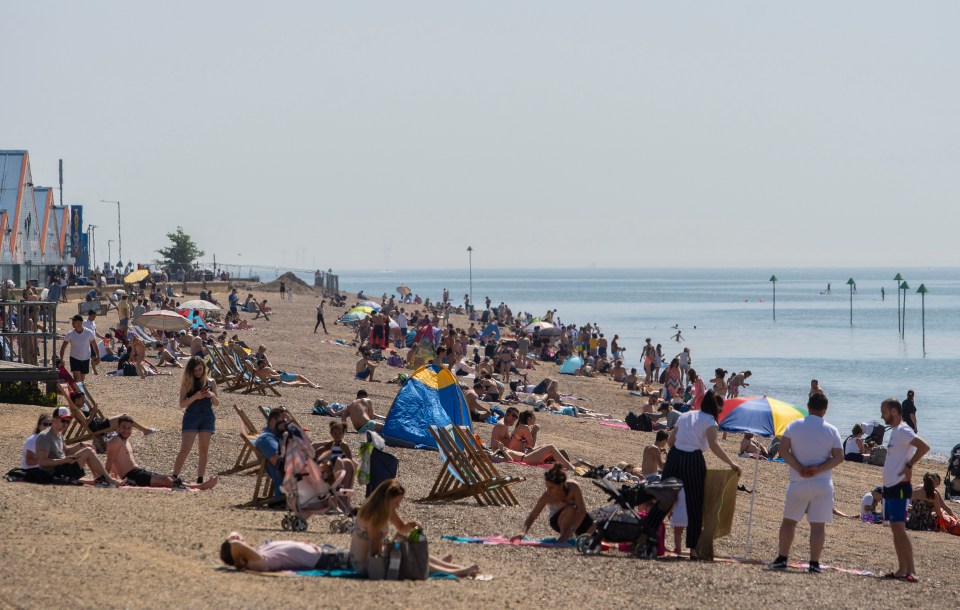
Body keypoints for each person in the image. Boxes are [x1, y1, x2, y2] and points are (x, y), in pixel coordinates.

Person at [769, 391, 844, 573]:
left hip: (798, 481)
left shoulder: (794, 425)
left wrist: (799, 467)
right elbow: (839, 457)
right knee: (818, 525)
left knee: (789, 522)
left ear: (808, 407)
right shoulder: (831, 429)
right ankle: (814, 563)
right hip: (822, 482)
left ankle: (782, 558)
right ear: (825, 410)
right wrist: (817, 469)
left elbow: (783, 450)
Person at [661, 390, 741, 557]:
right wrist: (731, 463)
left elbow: (670, 441)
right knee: (694, 505)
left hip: (674, 457)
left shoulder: (686, 415)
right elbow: (713, 445)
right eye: (720, 410)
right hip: (693, 460)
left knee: (664, 499)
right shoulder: (710, 421)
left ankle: (649, 535)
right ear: (715, 409)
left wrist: (679, 452)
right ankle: (693, 549)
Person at [350, 479, 480, 577]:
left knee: (409, 548)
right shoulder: (374, 515)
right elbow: (374, 550)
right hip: (366, 564)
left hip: (373, 557)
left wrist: (412, 525)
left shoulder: (386, 509)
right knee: (408, 554)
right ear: (386, 499)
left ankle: (450, 566)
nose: (398, 506)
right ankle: (457, 572)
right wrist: (394, 546)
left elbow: (401, 527)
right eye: (396, 502)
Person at [879, 397, 929, 582]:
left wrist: (909, 465)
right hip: (890, 487)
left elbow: (924, 447)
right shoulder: (895, 431)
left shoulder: (903, 430)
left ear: (893, 411)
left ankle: (911, 571)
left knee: (899, 528)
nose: (881, 415)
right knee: (895, 528)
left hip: (900, 487)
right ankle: (901, 569)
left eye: (883, 411)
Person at [106, 416, 217, 490]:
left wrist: (114, 473)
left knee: (168, 478)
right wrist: (107, 480)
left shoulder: (124, 441)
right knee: (166, 481)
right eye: (123, 428)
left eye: (129, 428)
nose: (126, 430)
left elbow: (116, 460)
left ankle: (198, 485)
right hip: (132, 476)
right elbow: (109, 461)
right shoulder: (116, 440)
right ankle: (201, 486)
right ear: (117, 428)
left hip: (138, 472)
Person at [35, 407, 119, 487]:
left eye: (68, 422)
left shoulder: (58, 434)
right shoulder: (45, 436)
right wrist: (64, 460)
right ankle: (108, 480)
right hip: (54, 474)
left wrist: (81, 445)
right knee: (88, 451)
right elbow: (42, 462)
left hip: (61, 468)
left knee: (88, 450)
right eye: (63, 421)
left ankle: (101, 480)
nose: (65, 424)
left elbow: (66, 451)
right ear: (54, 420)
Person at [512, 465, 595, 543]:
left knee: (597, 529)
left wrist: (573, 528)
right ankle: (564, 537)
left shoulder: (573, 487)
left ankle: (578, 539)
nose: (548, 490)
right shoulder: (547, 496)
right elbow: (532, 516)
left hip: (577, 517)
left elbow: (582, 510)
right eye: (547, 487)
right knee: (570, 509)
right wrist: (522, 533)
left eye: (551, 487)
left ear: (561, 485)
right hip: (558, 520)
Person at [171, 356, 219, 485]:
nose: (198, 372)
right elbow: (181, 404)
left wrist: (212, 395)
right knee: (185, 448)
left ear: (204, 368)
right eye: (195, 370)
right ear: (190, 371)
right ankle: (174, 476)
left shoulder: (211, 382)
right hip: (191, 417)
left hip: (207, 417)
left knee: (204, 449)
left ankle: (200, 479)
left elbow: (216, 403)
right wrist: (195, 397)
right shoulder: (187, 383)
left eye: (200, 369)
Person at [221, 532, 351, 572]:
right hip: (329, 559)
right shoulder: (257, 562)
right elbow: (236, 545)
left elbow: (234, 534)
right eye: (230, 541)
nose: (234, 538)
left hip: (325, 550)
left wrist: (231, 538)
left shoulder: (259, 551)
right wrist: (238, 562)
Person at [255, 407, 291, 498]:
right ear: (272, 422)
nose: (286, 424)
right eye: (283, 421)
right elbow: (280, 463)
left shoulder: (279, 436)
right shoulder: (266, 439)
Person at [59, 314, 99, 382]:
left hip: (85, 358)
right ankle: (79, 392)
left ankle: (78, 391)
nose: (72, 323)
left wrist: (98, 356)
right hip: (74, 358)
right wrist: (61, 359)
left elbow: (95, 345)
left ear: (80, 322)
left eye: (74, 321)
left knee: (82, 380)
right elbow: (63, 347)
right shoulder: (70, 334)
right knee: (77, 379)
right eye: (72, 321)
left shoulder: (88, 332)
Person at [19, 415, 54, 483]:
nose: (48, 427)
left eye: (50, 425)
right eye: (45, 424)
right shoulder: (33, 440)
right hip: (31, 471)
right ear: (39, 426)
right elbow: (28, 461)